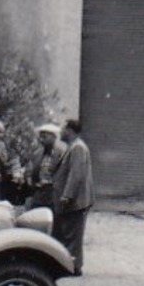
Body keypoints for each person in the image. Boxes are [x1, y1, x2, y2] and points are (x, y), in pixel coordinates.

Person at [51, 117, 93, 273]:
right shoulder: (73, 147)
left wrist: (67, 195)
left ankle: (74, 267)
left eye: (62, 129)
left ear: (69, 131)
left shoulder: (77, 148)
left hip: (75, 201)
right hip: (75, 200)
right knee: (70, 234)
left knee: (73, 235)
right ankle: (72, 265)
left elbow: (76, 174)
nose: (60, 132)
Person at [25, 123, 67, 209]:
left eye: (44, 137)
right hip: (39, 193)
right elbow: (29, 171)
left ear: (54, 137)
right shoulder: (37, 154)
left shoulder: (62, 154)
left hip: (54, 194)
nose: (41, 140)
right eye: (40, 137)